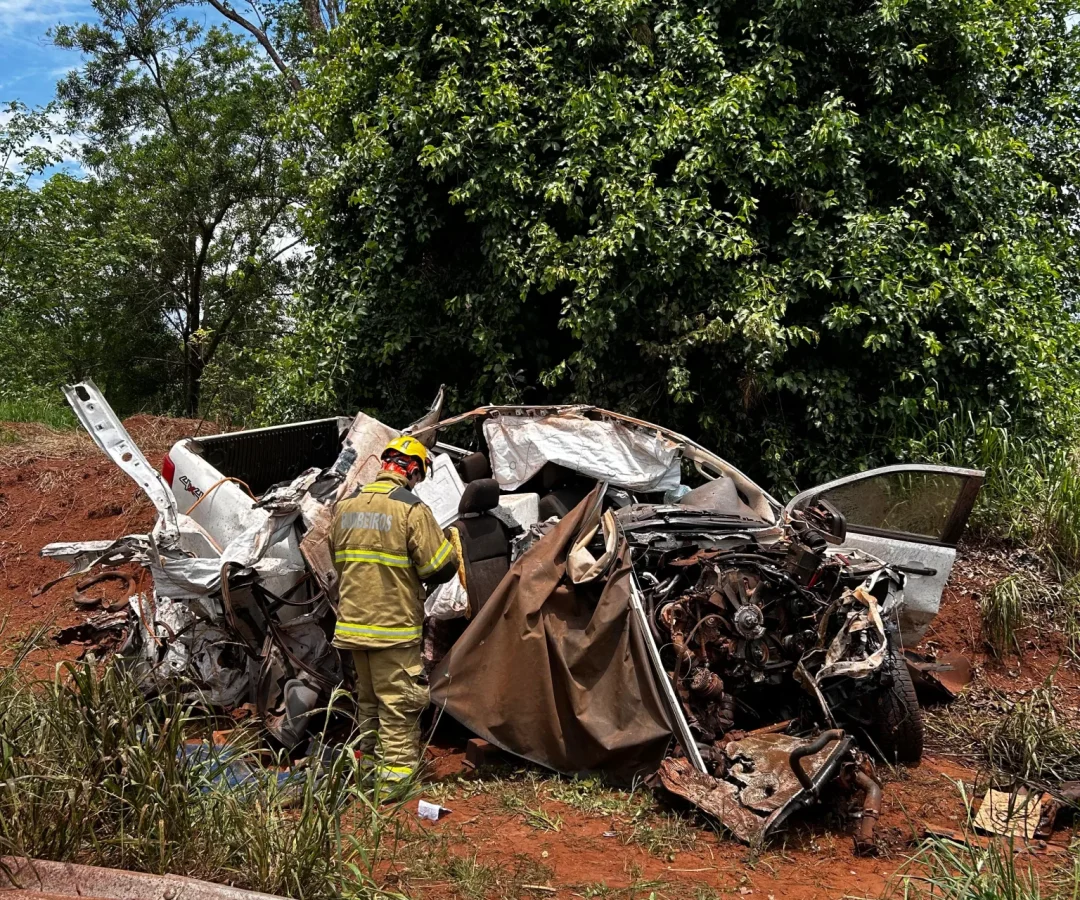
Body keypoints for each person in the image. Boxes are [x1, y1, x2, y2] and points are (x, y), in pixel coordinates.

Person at [330, 435, 458, 787]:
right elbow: (438, 567)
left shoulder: (346, 506)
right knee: (399, 706)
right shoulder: (410, 509)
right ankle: (394, 785)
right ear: (412, 471)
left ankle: (367, 775)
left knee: (369, 704)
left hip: (353, 627)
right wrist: (451, 545)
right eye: (419, 476)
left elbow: (338, 562)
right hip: (393, 629)